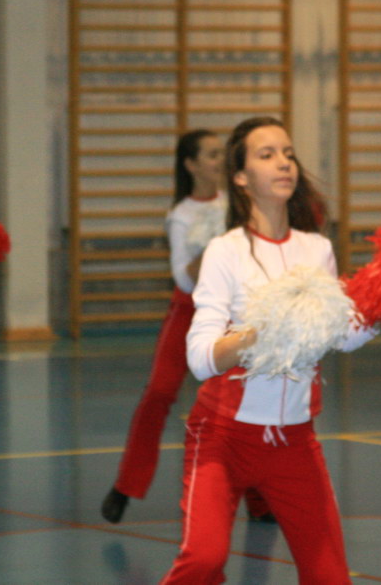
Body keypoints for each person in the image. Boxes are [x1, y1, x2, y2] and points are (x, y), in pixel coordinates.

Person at [160, 117, 378, 584]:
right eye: (267, 155)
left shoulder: (317, 250)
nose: (284, 163)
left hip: (295, 442)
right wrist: (261, 332)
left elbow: (340, 337)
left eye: (288, 153)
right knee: (203, 561)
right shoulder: (225, 252)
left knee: (330, 578)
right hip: (223, 439)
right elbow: (200, 359)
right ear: (240, 177)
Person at [102, 130, 272, 524]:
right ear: (191, 165)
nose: (219, 161)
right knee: (159, 393)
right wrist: (217, 250)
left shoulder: (239, 202)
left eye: (221, 154)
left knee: (246, 399)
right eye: (211, 155)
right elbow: (183, 277)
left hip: (234, 313)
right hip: (189, 311)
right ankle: (126, 485)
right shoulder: (181, 215)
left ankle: (259, 499)